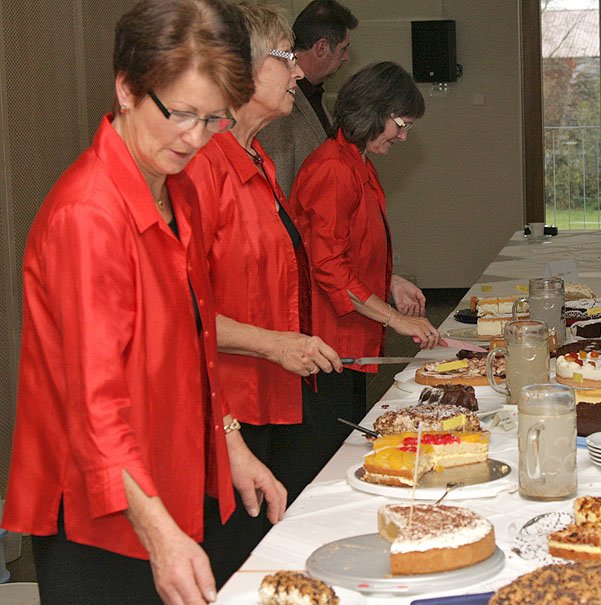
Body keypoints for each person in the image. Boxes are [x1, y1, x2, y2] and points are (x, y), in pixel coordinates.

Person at [0, 1, 286, 603]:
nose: (194, 137)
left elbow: (197, 340)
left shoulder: (178, 191)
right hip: (101, 516)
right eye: (180, 113)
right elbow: (92, 408)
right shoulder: (89, 216)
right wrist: (161, 534)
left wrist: (230, 443)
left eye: (213, 120)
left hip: (162, 484)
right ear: (127, 89)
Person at [184, 3, 343, 585]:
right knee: (233, 571)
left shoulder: (256, 159)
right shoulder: (201, 165)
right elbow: (181, 308)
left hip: (269, 399)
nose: (298, 73)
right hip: (224, 409)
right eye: (285, 57)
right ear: (240, 71)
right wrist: (274, 343)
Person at [292, 61, 441, 477]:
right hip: (329, 342)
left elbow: (347, 247)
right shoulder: (332, 169)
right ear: (373, 112)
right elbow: (328, 267)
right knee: (329, 459)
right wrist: (395, 319)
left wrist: (389, 281)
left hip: (353, 336)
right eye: (400, 124)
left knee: (352, 447)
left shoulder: (357, 162)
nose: (404, 136)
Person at [259, 0, 358, 196]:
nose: (346, 57)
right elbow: (278, 190)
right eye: (343, 48)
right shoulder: (279, 105)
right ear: (322, 47)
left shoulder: (316, 95)